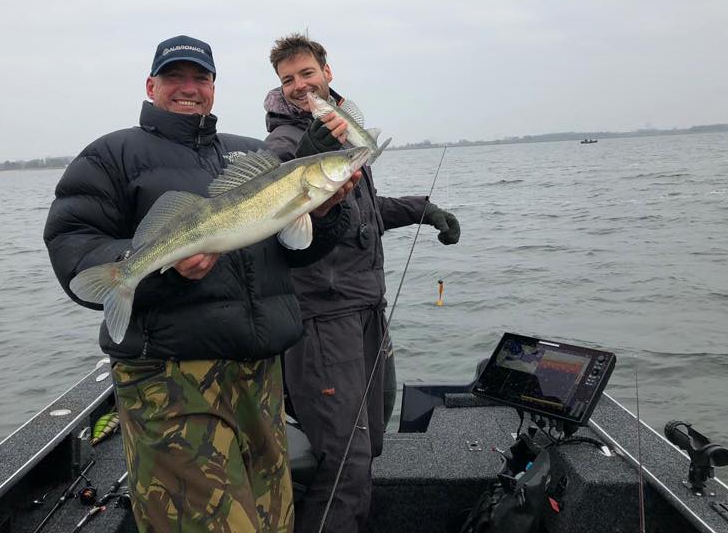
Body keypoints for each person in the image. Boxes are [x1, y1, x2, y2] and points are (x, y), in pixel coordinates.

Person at [44, 35, 359, 533]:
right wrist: (141, 267)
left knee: (274, 521)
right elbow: (71, 240)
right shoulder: (110, 155)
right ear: (151, 86)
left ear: (214, 87)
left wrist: (326, 210)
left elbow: (294, 253)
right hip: (170, 381)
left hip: (257, 379)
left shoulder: (249, 153)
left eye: (201, 78)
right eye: (175, 78)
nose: (189, 88)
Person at [262, 34, 460, 532]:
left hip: (366, 310)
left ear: (328, 73)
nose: (298, 86)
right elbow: (276, 188)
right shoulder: (287, 140)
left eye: (306, 73)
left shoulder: (344, 133)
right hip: (322, 320)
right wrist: (306, 154)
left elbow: (361, 214)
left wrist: (420, 209)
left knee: (369, 445)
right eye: (287, 80)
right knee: (344, 460)